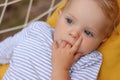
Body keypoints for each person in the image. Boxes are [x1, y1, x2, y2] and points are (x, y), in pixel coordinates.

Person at [0, 0, 119, 80]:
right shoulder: (38, 30)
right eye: (69, 21)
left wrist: (62, 68)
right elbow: (6, 49)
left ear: (103, 39)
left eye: (88, 33)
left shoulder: (88, 62)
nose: (74, 34)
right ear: (59, 15)